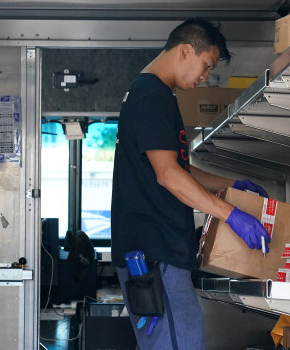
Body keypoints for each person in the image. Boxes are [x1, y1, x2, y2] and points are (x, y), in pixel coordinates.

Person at [111, 17, 270, 350]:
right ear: (186, 50)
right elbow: (168, 176)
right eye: (206, 66)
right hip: (156, 256)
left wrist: (232, 185)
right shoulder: (151, 96)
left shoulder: (153, 95)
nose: (204, 77)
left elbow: (179, 170)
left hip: (157, 255)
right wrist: (232, 215)